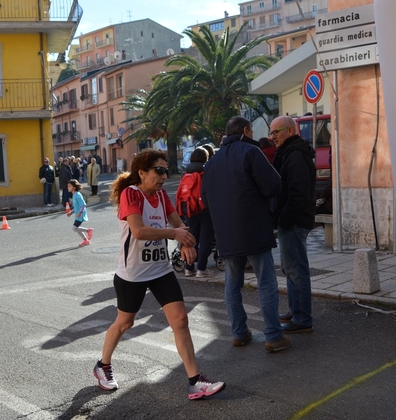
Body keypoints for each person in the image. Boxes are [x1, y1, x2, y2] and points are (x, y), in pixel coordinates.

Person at [94, 149, 225, 400]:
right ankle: (103, 366)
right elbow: (139, 231)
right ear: (142, 172)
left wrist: (186, 242)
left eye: (166, 170)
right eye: (159, 170)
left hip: (160, 270)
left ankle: (195, 381)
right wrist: (175, 235)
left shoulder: (162, 196)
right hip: (132, 274)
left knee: (180, 321)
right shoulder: (130, 194)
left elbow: (179, 225)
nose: (164, 175)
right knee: (125, 323)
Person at [202, 116, 290, 353]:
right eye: (251, 130)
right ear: (245, 130)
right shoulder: (251, 152)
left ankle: (239, 333)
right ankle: (273, 335)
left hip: (226, 233)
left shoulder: (212, 162)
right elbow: (273, 185)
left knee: (232, 283)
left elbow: (205, 199)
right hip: (253, 227)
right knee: (266, 281)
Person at [270, 116, 316, 333]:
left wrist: (284, 218)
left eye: (275, 133)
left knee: (296, 269)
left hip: (294, 221)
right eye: (271, 134)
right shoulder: (291, 152)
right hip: (291, 220)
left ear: (289, 130)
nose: (273, 138)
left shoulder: (295, 155)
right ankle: (295, 310)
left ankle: (302, 317)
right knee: (290, 268)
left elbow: (297, 193)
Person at [179, 147, 215, 278]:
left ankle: (188, 268)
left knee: (191, 238)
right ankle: (201, 268)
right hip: (205, 209)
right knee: (205, 239)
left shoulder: (185, 173)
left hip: (189, 208)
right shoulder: (206, 171)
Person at [65, 179, 93, 246]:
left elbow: (83, 205)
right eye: (68, 186)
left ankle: (88, 230)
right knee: (76, 228)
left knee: (74, 228)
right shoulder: (74, 195)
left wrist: (80, 212)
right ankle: (86, 240)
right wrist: (71, 212)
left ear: (74, 187)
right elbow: (77, 207)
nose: (68, 187)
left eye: (69, 186)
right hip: (78, 214)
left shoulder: (77, 195)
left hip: (80, 215)